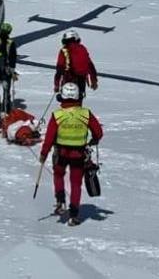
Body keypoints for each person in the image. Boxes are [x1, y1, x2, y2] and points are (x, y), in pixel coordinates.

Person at [39, 82, 103, 226]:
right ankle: (74, 215)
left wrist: (44, 154)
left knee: (58, 175)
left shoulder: (57, 115)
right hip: (78, 155)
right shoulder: (85, 114)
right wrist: (94, 140)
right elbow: (98, 132)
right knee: (75, 183)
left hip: (61, 153)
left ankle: (60, 201)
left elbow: (49, 138)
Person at [53, 30, 98, 99]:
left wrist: (56, 85)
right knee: (78, 103)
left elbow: (59, 68)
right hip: (81, 81)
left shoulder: (64, 50)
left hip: (68, 81)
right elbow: (90, 65)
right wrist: (94, 81)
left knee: (67, 103)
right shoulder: (82, 48)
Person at [0, 22, 18, 114]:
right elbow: (12, 58)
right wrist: (12, 71)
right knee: (6, 92)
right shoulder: (10, 43)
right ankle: (6, 110)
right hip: (6, 70)